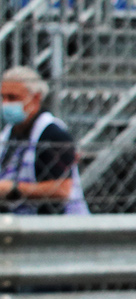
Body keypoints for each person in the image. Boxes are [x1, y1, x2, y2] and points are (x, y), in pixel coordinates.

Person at [1, 66, 89, 215]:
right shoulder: (9, 133)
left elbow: (62, 189)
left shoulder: (52, 133)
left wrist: (13, 189)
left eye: (13, 97)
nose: (5, 104)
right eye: (3, 97)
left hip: (59, 227)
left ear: (35, 98)